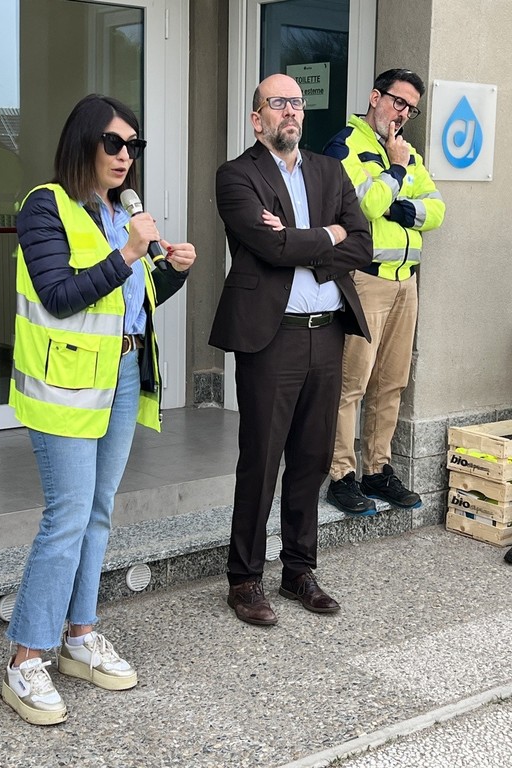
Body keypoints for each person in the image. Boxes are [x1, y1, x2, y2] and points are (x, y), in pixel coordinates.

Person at [3, 94, 196, 725]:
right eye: (114, 143)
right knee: (66, 515)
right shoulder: (45, 206)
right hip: (65, 383)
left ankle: (79, 636)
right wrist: (130, 254)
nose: (125, 156)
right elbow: (60, 295)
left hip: (123, 373)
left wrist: (171, 272)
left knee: (97, 511)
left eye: (134, 146)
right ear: (84, 142)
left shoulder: (121, 213)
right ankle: (25, 658)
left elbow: (128, 299)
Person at [209, 73, 372, 626]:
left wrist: (312, 238)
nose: (291, 111)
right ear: (257, 119)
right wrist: (328, 234)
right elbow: (270, 246)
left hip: (326, 332)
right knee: (261, 459)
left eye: (297, 102)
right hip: (270, 336)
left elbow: (363, 242)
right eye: (278, 103)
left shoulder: (329, 170)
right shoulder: (237, 175)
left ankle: (299, 570)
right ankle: (244, 579)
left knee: (312, 458)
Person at [323, 69, 445, 516]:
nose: (403, 113)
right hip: (366, 279)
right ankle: (341, 475)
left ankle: (377, 470)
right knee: (351, 384)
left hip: (406, 281)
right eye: (398, 102)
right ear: (376, 97)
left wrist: (401, 207)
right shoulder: (345, 146)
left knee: (391, 382)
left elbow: (437, 209)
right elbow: (365, 205)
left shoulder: (408, 152)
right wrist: (394, 170)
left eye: (411, 109)